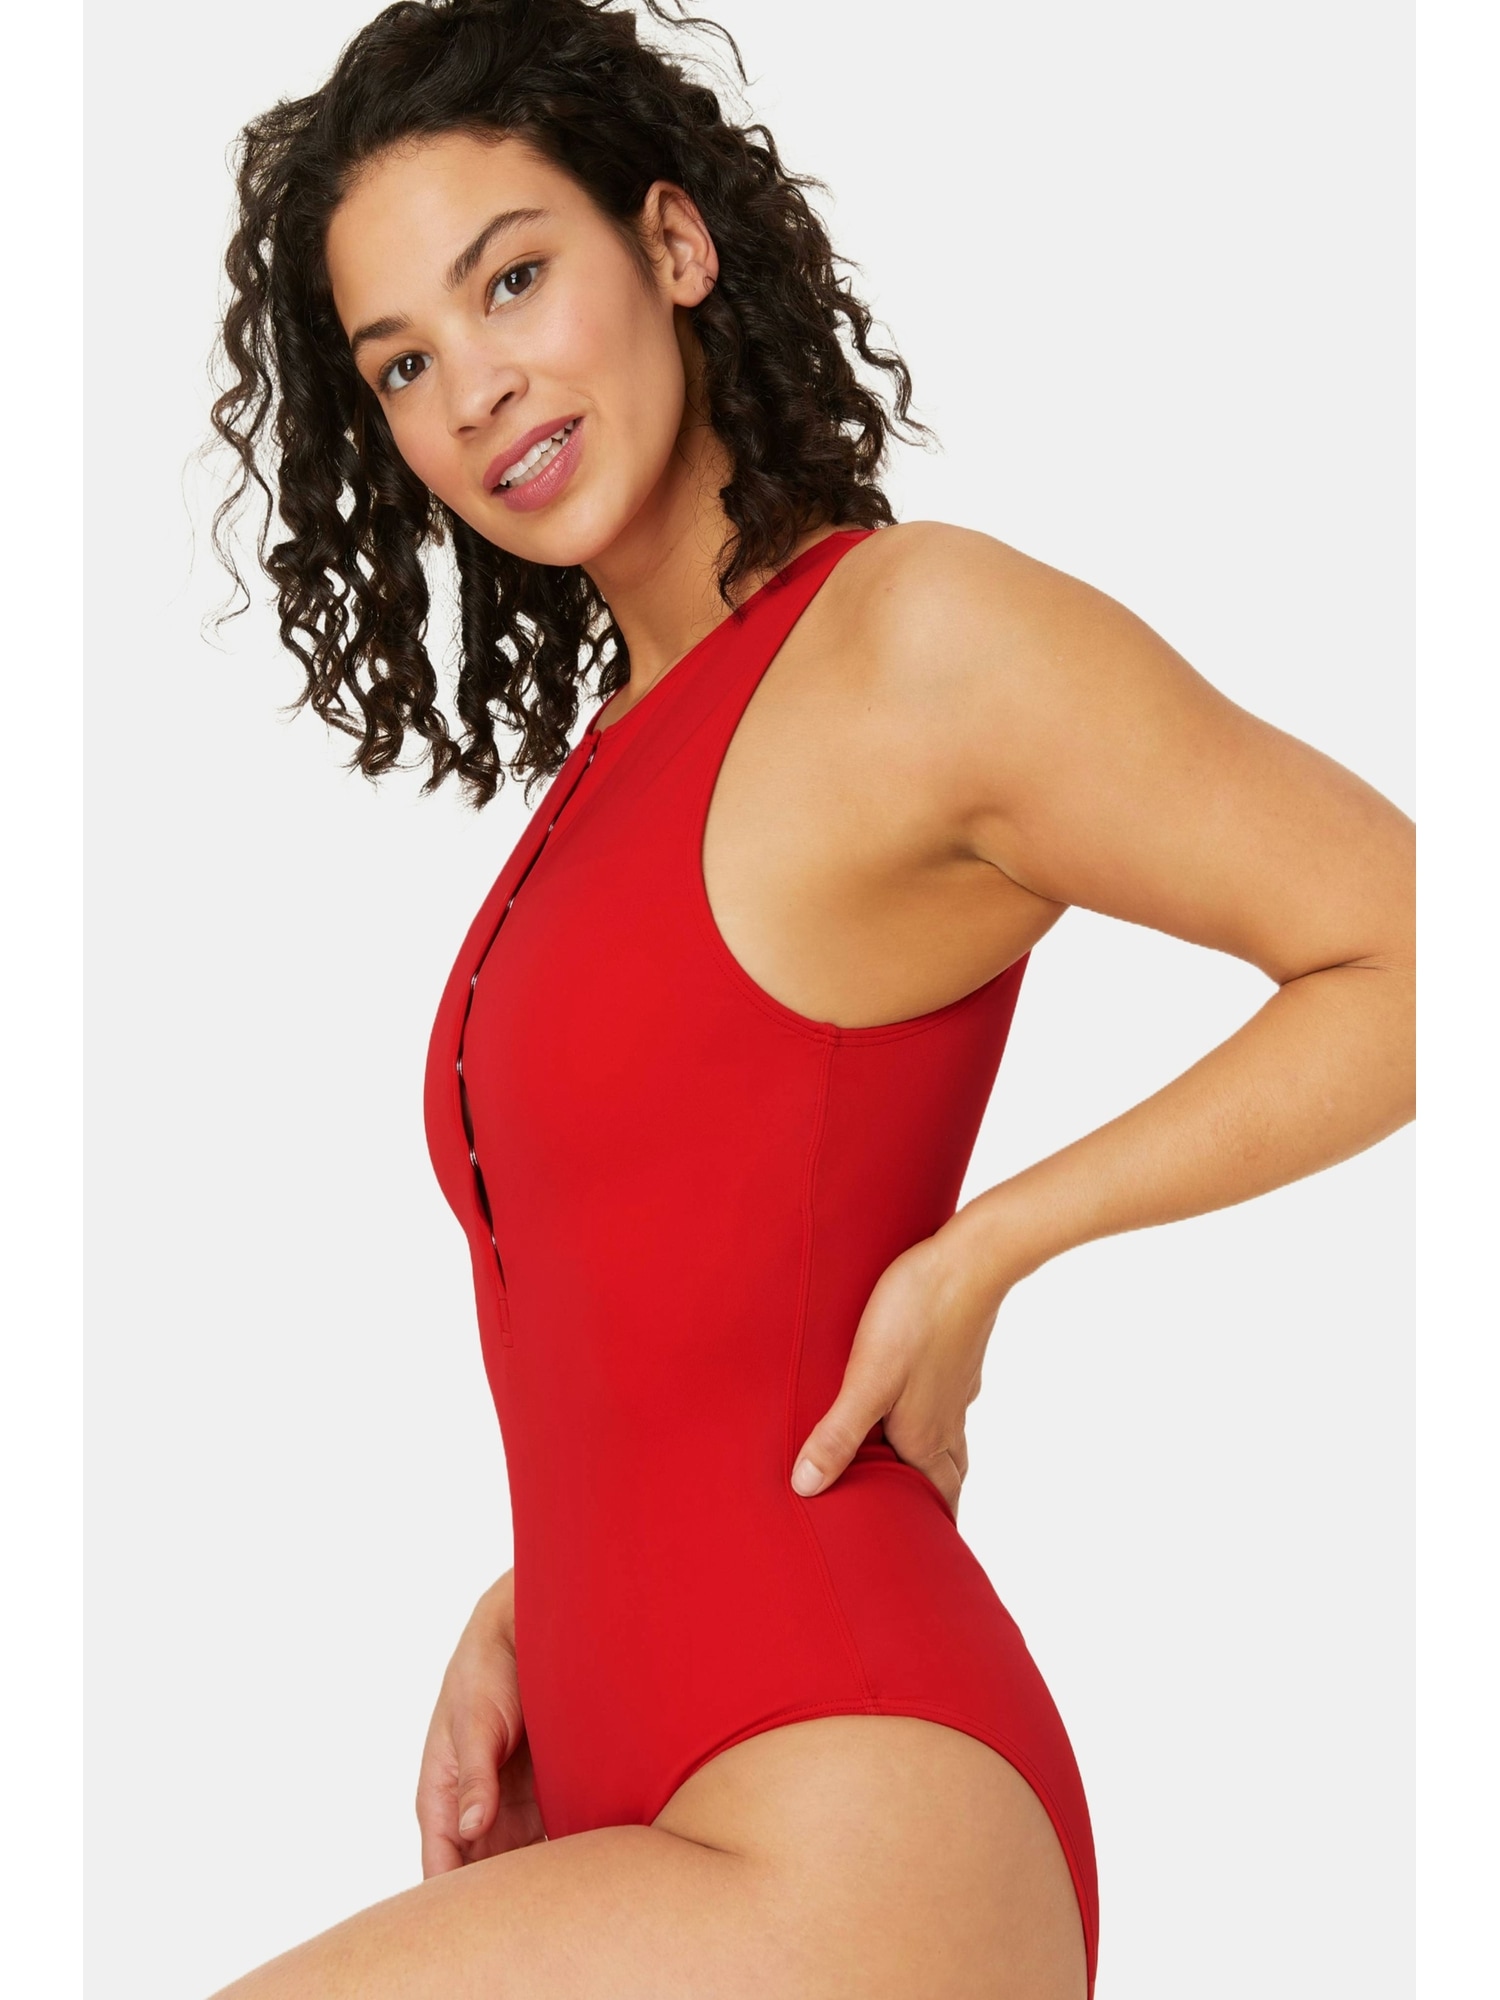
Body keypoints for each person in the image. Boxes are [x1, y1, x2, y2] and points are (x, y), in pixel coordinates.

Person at [204, 1, 1415, 1994]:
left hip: (852, 1814)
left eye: (513, 279)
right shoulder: (614, 768)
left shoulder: (910, 642)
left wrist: (984, 1256)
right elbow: (683, 1299)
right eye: (403, 361)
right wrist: (552, 1590)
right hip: (639, 1777)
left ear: (674, 243)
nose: (475, 388)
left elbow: (1417, 945)